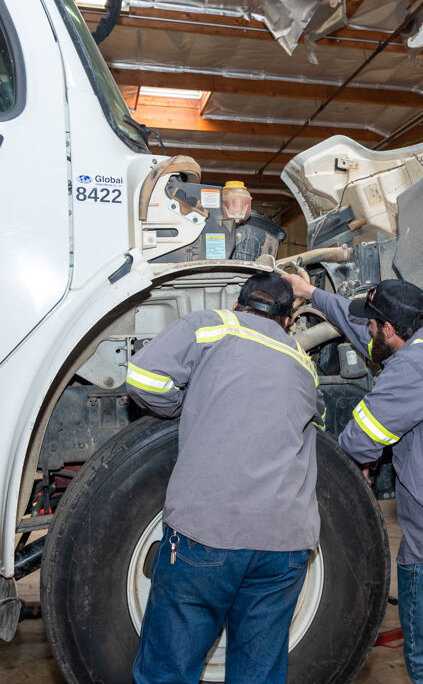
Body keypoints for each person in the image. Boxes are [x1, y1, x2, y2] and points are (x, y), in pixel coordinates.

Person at [282, 273, 423, 684]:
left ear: (388, 329)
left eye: (372, 323)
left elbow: (355, 442)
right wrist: (310, 293)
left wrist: (358, 462)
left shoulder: (409, 372)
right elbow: (362, 334)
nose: (365, 328)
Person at [125, 271, 324, 684]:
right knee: (258, 674)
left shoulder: (212, 325)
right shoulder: (302, 361)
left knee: (168, 671)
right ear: (288, 321)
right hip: (285, 544)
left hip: (209, 534)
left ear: (239, 303)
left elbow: (143, 379)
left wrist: (183, 404)